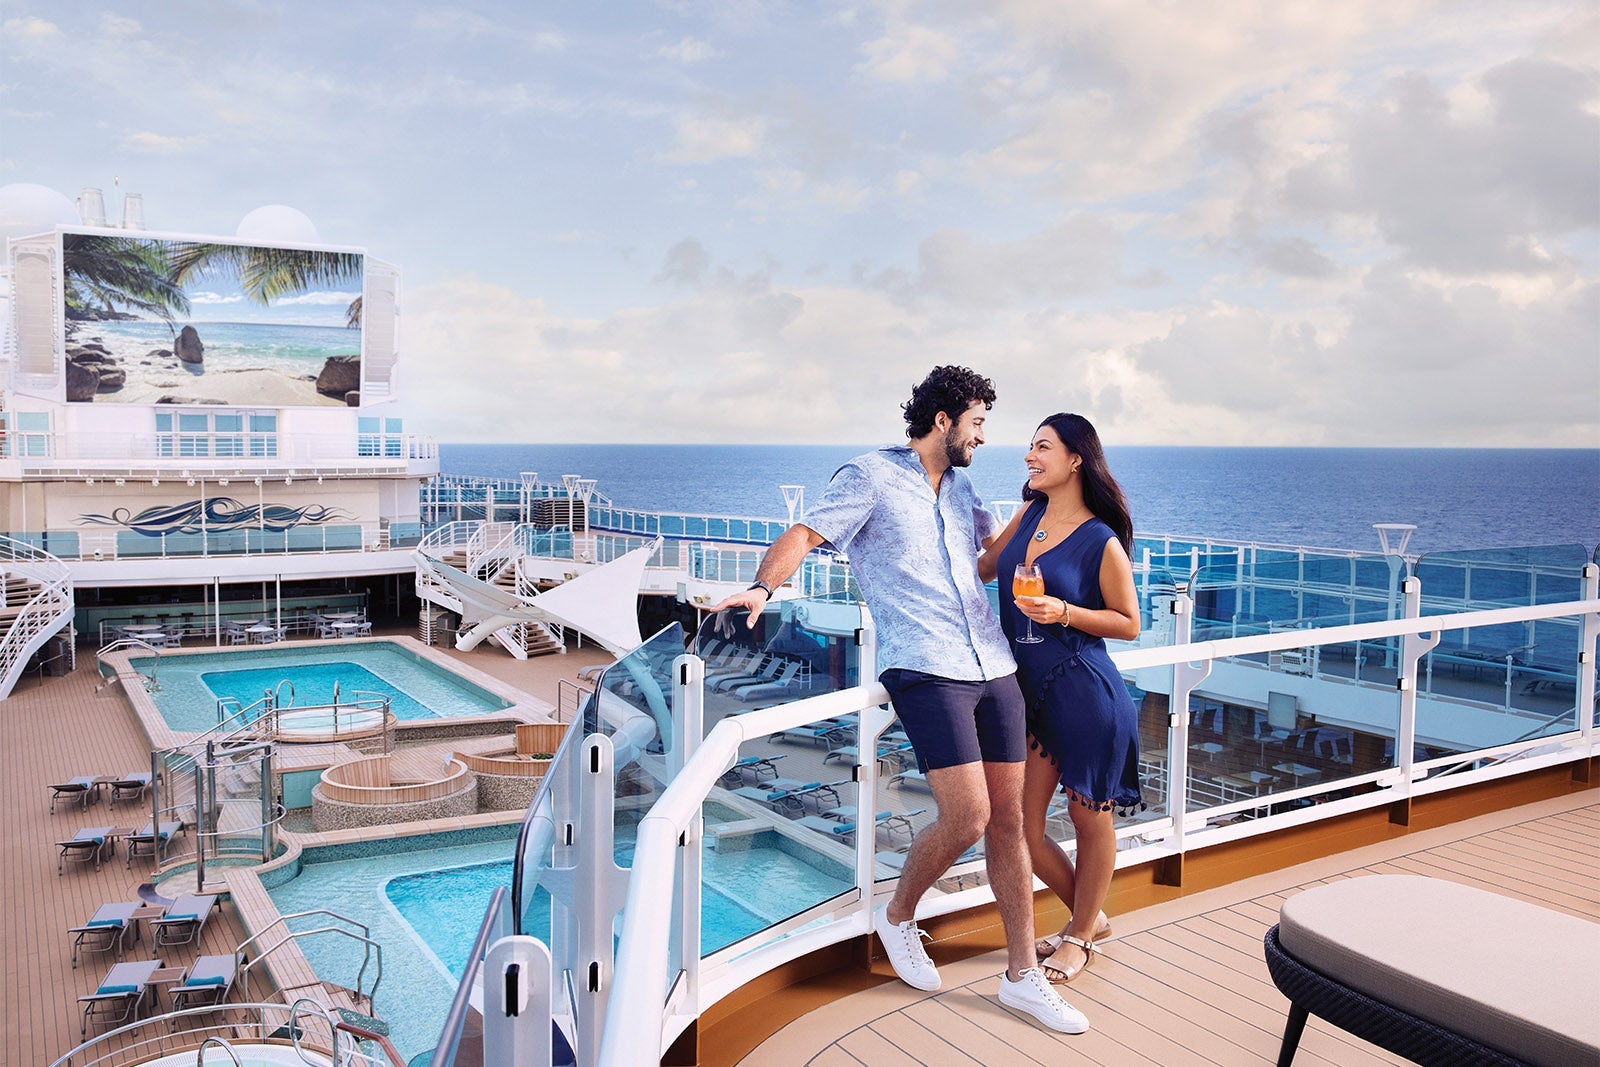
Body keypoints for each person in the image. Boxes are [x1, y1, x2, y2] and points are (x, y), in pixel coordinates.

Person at [712, 366, 1088, 1034]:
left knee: (1007, 819)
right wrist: (764, 588)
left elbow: (992, 558)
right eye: (976, 423)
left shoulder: (963, 488)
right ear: (944, 419)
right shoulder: (869, 476)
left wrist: (1039, 506)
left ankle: (1021, 977)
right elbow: (805, 534)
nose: (982, 437)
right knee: (968, 815)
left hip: (992, 660)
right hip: (924, 663)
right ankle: (897, 914)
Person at [978, 412, 1143, 985]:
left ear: (1076, 459)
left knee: (1088, 818)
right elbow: (982, 568)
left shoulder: (1100, 540)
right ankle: (1090, 919)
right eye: (1030, 446)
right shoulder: (1027, 515)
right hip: (1030, 696)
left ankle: (1078, 937)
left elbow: (1129, 623)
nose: (1029, 455)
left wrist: (1064, 611)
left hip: (1086, 696)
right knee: (1020, 828)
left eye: (1042, 447)